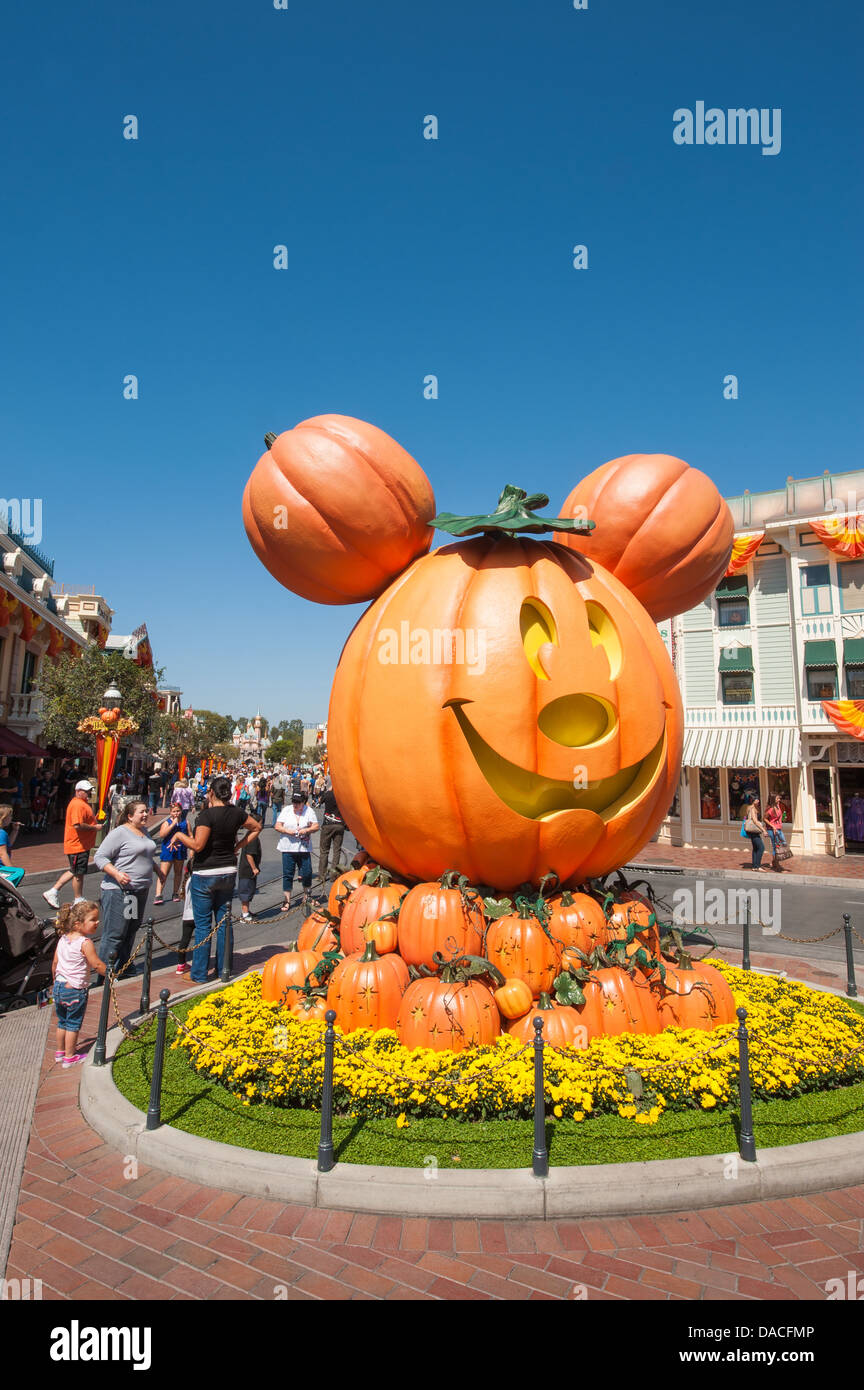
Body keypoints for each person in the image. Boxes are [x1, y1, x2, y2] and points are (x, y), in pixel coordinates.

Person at [170, 775, 261, 984]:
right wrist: (237, 847)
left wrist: (179, 836)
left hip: (206, 872)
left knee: (203, 925)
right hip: (228, 870)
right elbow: (256, 827)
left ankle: (200, 974)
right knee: (223, 921)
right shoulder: (237, 812)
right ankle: (224, 969)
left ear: (211, 792)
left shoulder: (207, 815)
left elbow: (198, 845)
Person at [93, 800, 157, 976]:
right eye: (141, 812)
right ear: (130, 816)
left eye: (146, 811)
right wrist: (116, 874)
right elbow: (100, 857)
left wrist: (158, 871)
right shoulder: (120, 833)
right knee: (115, 932)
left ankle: (123, 965)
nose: (145, 814)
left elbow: (145, 855)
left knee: (130, 929)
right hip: (120, 891)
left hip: (138, 891)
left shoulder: (144, 831)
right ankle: (105, 973)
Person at [52, 900, 106, 1067]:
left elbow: (55, 963)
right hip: (75, 989)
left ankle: (60, 1052)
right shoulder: (85, 943)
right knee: (73, 1024)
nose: (97, 922)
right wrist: (110, 973)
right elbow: (96, 964)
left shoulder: (63, 939)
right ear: (78, 923)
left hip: (59, 987)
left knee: (62, 1021)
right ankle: (70, 1056)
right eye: (93, 919)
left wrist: (55, 980)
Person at [43, 780, 99, 909]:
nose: (89, 793)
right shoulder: (77, 805)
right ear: (78, 791)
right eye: (86, 791)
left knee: (74, 871)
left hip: (81, 844)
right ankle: (78, 898)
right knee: (78, 873)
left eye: (89, 790)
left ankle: (53, 891)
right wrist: (95, 827)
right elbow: (77, 825)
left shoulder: (82, 804)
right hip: (77, 845)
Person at [275, 789, 319, 913]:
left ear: (303, 802)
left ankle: (307, 896)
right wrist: (288, 831)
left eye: (298, 803)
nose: (295, 805)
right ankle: (287, 899)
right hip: (288, 847)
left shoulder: (309, 811)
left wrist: (306, 830)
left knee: (306, 872)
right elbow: (277, 826)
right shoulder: (286, 810)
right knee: (288, 874)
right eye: (294, 802)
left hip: (303, 848)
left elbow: (316, 826)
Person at [154, 800, 189, 903]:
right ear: (170, 812)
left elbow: (190, 835)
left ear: (181, 811)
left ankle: (175, 893)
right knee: (163, 872)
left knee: (178, 872)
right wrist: (173, 824)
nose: (176, 813)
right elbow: (162, 834)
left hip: (180, 850)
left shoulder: (185, 822)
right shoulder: (167, 822)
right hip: (168, 849)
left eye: (178, 811)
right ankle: (158, 894)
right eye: (174, 811)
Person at [318, 785, 346, 883]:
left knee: (324, 851)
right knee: (336, 851)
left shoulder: (328, 794)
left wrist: (328, 790)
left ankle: (322, 875)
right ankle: (334, 875)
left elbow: (319, 801)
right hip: (339, 825)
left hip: (327, 825)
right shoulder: (343, 796)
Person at [237, 832, 261, 923]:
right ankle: (245, 914)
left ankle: (246, 911)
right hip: (247, 870)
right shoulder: (253, 838)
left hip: (246, 870)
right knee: (246, 892)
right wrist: (254, 868)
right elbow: (249, 855)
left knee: (249, 891)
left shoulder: (250, 835)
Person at [0, 803, 25, 888]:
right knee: (19, 872)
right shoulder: (1, 833)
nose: (11, 818)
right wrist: (11, 868)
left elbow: (8, 844)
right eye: (10, 816)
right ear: (4, 818)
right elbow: (2, 853)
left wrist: (15, 830)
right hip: (1, 868)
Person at [742, 796, 769, 871]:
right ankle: (757, 866)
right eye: (757, 800)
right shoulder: (752, 809)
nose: (758, 801)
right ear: (753, 800)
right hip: (753, 831)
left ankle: (754, 866)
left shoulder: (750, 808)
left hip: (752, 831)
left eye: (758, 800)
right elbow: (755, 821)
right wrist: (763, 830)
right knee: (761, 848)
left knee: (756, 848)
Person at [764, 794, 788, 871]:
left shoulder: (778, 806)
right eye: (777, 798)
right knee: (776, 847)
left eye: (779, 798)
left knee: (784, 843)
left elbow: (779, 817)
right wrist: (773, 826)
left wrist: (783, 818)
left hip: (778, 829)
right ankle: (777, 865)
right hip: (773, 830)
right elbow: (764, 819)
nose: (779, 800)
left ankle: (774, 862)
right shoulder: (770, 809)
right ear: (773, 799)